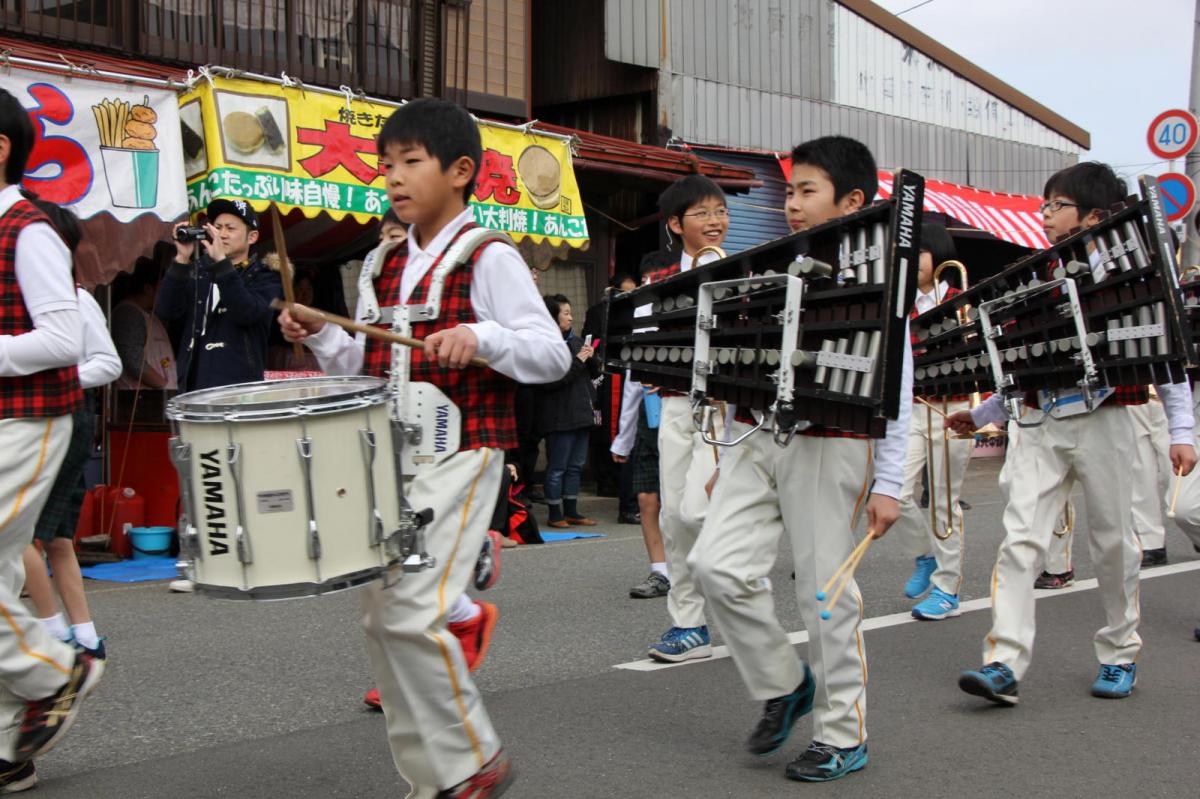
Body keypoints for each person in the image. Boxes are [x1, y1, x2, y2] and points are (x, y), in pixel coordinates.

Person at [279, 97, 569, 799]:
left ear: (461, 171)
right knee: (383, 615)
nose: (394, 177)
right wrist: (318, 335)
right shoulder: (379, 260)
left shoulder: (489, 256)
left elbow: (553, 354)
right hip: (384, 460)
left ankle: (471, 762)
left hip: (462, 452)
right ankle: (435, 777)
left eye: (412, 162)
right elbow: (359, 365)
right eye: (387, 165)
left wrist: (484, 337)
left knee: (409, 608)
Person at [689, 136, 909, 782]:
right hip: (758, 438)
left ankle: (844, 734)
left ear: (853, 200)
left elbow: (897, 381)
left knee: (824, 594)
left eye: (807, 190)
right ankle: (786, 682)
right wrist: (723, 447)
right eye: (789, 190)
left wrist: (889, 480)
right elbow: (747, 357)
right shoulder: (770, 263)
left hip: (834, 442)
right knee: (714, 564)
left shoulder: (877, 277)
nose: (791, 204)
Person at [950, 161, 1197, 705]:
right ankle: (1003, 663)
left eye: (1055, 206)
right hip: (1039, 423)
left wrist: (1183, 429)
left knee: (1113, 543)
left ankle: (1119, 652)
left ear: (1092, 215)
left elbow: (1166, 357)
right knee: (1019, 541)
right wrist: (987, 411)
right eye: (1045, 206)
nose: (1044, 216)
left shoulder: (1137, 274)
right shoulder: (1036, 275)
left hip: (1110, 416)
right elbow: (1022, 363)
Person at [0, 88, 105, 792]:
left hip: (31, 420)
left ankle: (52, 670)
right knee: (4, 570)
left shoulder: (29, 229)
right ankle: (13, 746)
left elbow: (65, 338)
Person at [18, 197, 120, 661]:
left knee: (24, 535)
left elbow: (108, 363)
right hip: (54, 418)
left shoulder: (74, 297)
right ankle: (82, 637)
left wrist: (58, 375)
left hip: (62, 418)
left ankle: (53, 636)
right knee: (53, 537)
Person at [638, 175, 730, 662]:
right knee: (675, 516)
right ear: (676, 225)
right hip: (674, 403)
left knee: (697, 509)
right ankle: (688, 624)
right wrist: (650, 366)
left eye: (720, 211)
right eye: (703, 213)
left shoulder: (742, 271)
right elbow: (644, 334)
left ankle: (734, 585)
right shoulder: (659, 279)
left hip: (723, 409)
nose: (716, 221)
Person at [894, 223, 974, 620]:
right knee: (895, 490)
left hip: (951, 409)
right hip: (912, 407)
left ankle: (948, 587)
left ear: (938, 255)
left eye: (918, 253)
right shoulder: (899, 302)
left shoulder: (963, 300)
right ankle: (924, 555)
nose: (910, 261)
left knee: (944, 501)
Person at [155, 197, 282, 393]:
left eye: (230, 229)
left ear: (252, 237)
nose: (222, 234)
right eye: (217, 227)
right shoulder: (200, 271)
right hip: (193, 387)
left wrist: (222, 264)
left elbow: (246, 312)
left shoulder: (266, 275)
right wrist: (181, 259)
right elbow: (167, 311)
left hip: (239, 390)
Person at [536, 293, 600, 527]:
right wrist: (579, 361)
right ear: (552, 317)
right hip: (558, 416)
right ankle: (555, 513)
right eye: (566, 313)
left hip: (582, 413)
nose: (571, 318)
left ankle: (572, 511)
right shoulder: (545, 346)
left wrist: (592, 358)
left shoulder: (577, 342)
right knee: (558, 467)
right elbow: (551, 381)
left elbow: (595, 374)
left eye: (571, 313)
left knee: (575, 467)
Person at [111, 254, 177, 390]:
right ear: (148, 288)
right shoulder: (128, 314)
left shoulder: (150, 314)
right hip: (142, 398)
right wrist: (163, 385)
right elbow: (133, 360)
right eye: (162, 286)